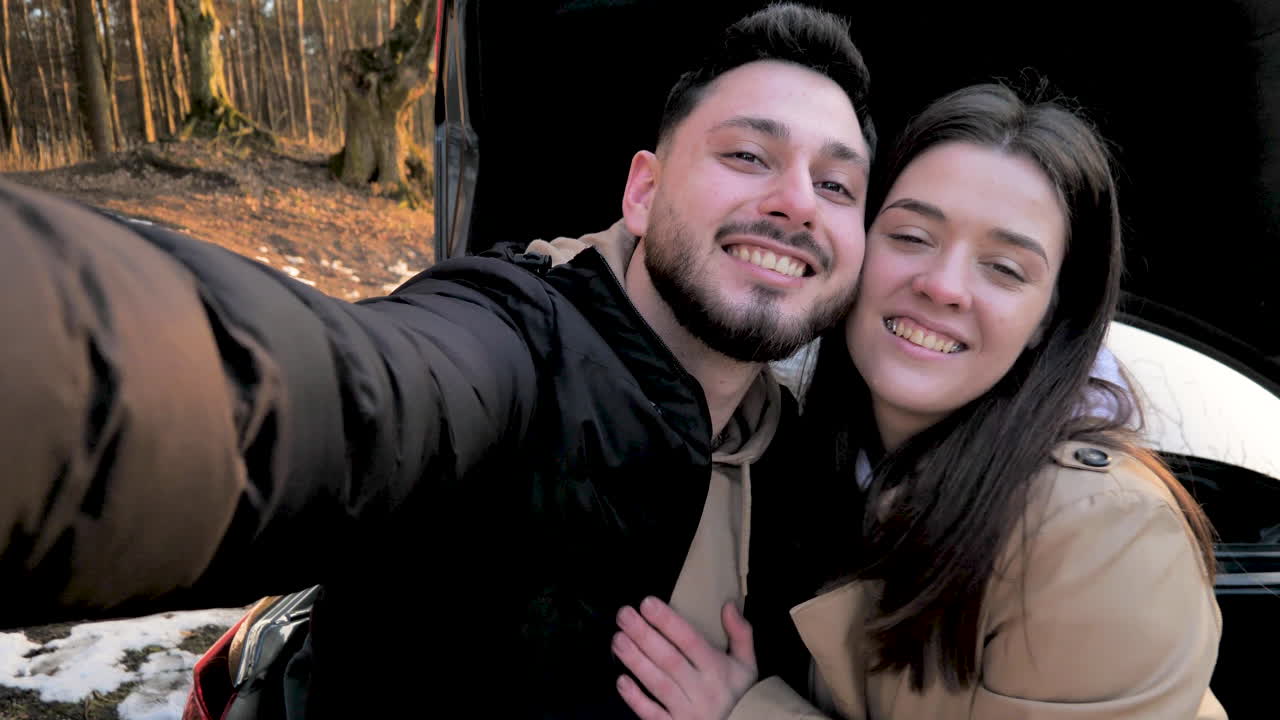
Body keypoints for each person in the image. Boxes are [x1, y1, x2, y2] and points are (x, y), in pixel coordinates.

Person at [0, 3, 876, 717]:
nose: (797, 200)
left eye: (836, 184)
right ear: (642, 192)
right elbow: (351, 392)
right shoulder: (513, 342)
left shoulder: (807, 459)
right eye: (749, 155)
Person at [607, 84, 1226, 719]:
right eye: (910, 236)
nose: (942, 286)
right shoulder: (802, 450)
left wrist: (744, 714)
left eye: (1005, 269)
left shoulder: (1102, 531)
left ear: (1050, 318)